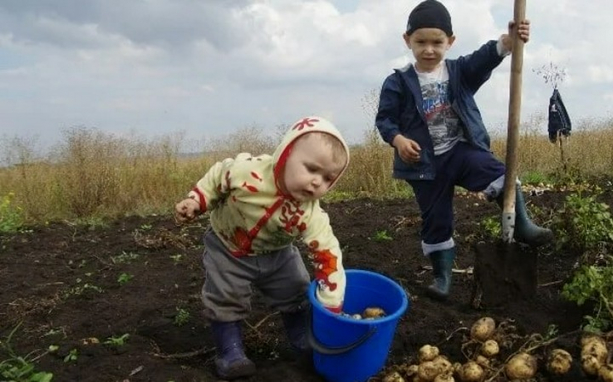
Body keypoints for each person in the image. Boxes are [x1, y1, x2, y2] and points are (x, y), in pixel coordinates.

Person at [375, 0, 553, 300]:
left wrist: (508, 41)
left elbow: (482, 59)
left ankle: (522, 225)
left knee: (497, 171)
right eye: (420, 42)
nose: (429, 49)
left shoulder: (458, 72)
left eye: (437, 42)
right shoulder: (398, 83)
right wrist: (399, 141)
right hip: (424, 165)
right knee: (436, 219)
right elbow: (385, 120)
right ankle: (442, 277)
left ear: (450, 42)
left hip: (460, 151)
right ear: (408, 41)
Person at [175, 116, 349, 379]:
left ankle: (302, 337)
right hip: (228, 246)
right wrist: (196, 201)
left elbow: (327, 252)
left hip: (277, 254)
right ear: (286, 155)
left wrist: (331, 304)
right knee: (226, 294)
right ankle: (229, 351)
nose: (317, 182)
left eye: (327, 179)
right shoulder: (248, 172)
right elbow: (218, 177)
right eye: (312, 169)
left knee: (295, 289)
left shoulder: (310, 213)